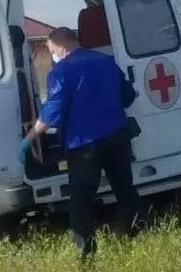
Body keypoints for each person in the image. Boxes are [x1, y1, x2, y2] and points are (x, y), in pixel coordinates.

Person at [20, 26, 141, 258]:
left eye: (50, 48)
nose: (51, 53)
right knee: (126, 191)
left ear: (61, 45)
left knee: (81, 200)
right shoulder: (107, 62)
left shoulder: (62, 72)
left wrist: (28, 140)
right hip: (117, 137)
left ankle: (86, 255)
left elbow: (51, 115)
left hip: (83, 145)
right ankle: (139, 237)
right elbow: (127, 97)